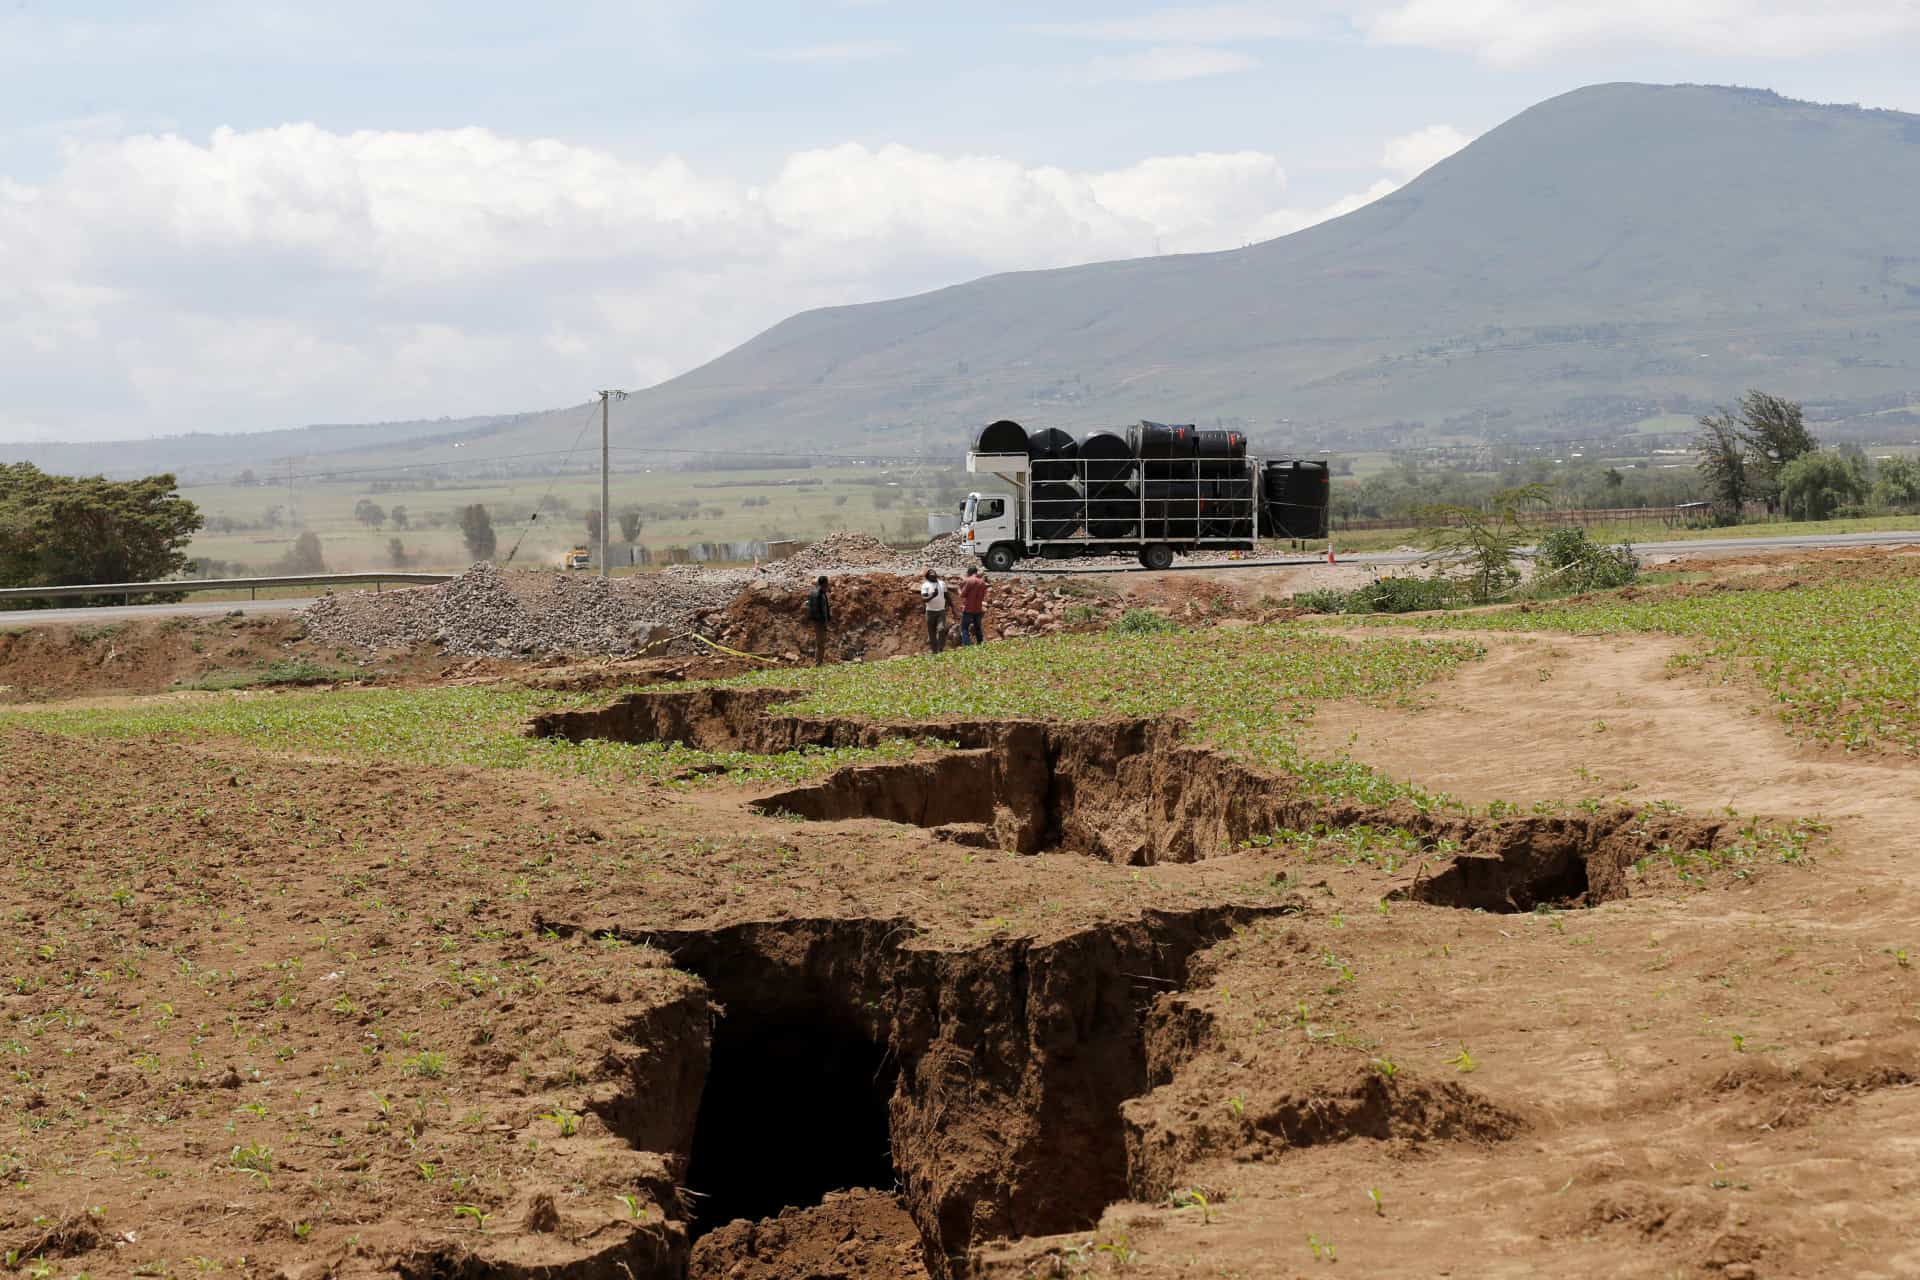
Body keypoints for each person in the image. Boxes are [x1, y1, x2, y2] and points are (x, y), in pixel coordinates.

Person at [918, 569, 948, 653]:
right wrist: (932, 595)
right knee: (932, 633)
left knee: (941, 629)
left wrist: (953, 608)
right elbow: (924, 599)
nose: (933, 573)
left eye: (933, 571)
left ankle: (941, 648)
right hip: (930, 612)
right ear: (928, 576)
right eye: (930, 572)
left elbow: (947, 596)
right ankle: (934, 651)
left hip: (941, 611)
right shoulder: (925, 585)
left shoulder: (942, 583)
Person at [957, 566, 988, 646]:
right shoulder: (982, 582)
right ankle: (980, 643)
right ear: (976, 572)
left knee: (964, 628)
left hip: (968, 609)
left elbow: (962, 595)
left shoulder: (969, 580)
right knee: (977, 627)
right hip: (978, 609)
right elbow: (983, 596)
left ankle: (967, 645)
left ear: (969, 572)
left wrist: (958, 589)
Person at [805, 575, 831, 666]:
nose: (828, 585)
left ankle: (819, 661)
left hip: (818, 621)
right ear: (824, 583)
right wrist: (823, 622)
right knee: (820, 643)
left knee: (820, 642)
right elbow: (817, 610)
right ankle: (818, 663)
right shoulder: (818, 594)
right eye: (827, 583)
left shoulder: (818, 592)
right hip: (819, 622)